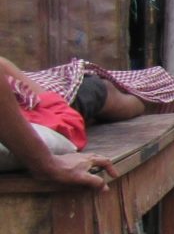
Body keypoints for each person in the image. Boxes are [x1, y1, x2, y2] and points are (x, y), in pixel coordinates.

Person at [0, 57, 115, 190]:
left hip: (39, 92)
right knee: (100, 90)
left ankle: (140, 93)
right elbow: (69, 124)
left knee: (104, 90)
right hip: (45, 100)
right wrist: (48, 165)